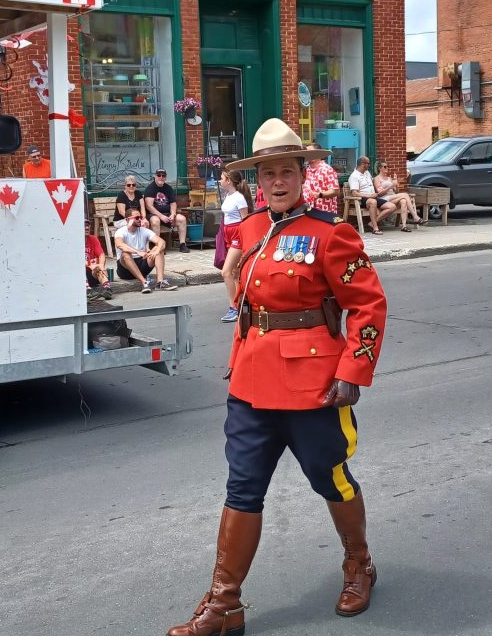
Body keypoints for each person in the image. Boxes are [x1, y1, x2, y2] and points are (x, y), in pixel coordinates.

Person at [166, 118, 388, 636]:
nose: (278, 181)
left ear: (302, 174)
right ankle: (224, 605)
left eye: (287, 171)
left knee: (330, 478)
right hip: (251, 383)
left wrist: (353, 368)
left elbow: (369, 306)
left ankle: (359, 565)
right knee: (242, 487)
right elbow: (244, 300)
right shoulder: (248, 229)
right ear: (258, 180)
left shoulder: (332, 234)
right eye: (268, 174)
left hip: (314, 386)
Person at [113, 209, 177, 293]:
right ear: (128, 220)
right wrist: (137, 252)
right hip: (125, 269)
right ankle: (144, 283)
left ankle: (160, 282)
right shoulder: (120, 231)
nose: (140, 219)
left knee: (158, 248)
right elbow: (119, 244)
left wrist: (157, 251)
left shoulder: (144, 231)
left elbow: (162, 242)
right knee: (125, 254)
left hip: (142, 264)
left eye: (141, 217)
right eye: (137, 217)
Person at [217, 169, 250, 323]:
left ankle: (233, 308)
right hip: (228, 233)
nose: (219, 180)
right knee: (236, 272)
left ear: (229, 181)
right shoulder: (228, 196)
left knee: (226, 271)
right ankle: (241, 303)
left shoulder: (239, 198)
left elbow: (245, 220)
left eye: (222, 178)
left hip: (237, 234)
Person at [346, 156, 397, 235]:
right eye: (368, 164)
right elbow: (354, 193)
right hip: (362, 199)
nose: (369, 165)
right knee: (373, 202)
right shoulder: (354, 176)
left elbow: (374, 182)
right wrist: (369, 196)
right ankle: (375, 228)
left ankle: (371, 223)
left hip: (374, 197)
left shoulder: (367, 173)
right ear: (363, 164)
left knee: (392, 207)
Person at [144, 168, 190, 253]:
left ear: (166, 177)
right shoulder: (150, 188)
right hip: (154, 215)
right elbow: (149, 206)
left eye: (163, 176)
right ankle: (158, 246)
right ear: (155, 176)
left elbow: (173, 203)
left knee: (182, 219)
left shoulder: (168, 188)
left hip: (167, 214)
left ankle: (182, 244)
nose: (161, 177)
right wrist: (161, 216)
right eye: (159, 175)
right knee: (155, 221)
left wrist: (173, 214)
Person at [373, 161, 424, 230]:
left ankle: (404, 226)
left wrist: (396, 184)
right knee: (405, 195)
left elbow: (396, 192)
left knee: (403, 201)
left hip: (393, 197)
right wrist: (391, 185)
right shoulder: (377, 179)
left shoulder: (389, 178)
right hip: (384, 199)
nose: (387, 168)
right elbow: (380, 193)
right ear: (380, 168)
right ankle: (415, 217)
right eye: (385, 166)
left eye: (388, 166)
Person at [303, 143, 341, 213]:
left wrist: (320, 195)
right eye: (306, 153)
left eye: (310, 152)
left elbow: (336, 191)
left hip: (325, 212)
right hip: (308, 211)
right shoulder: (306, 170)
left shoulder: (327, 169)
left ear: (318, 154)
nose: (308, 155)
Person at [84, 219, 112, 299]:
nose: (86, 228)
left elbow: (101, 255)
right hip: (79, 276)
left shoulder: (93, 239)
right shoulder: (73, 241)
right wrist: (89, 264)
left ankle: (107, 288)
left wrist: (101, 266)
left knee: (98, 268)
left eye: (87, 225)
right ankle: (87, 290)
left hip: (92, 273)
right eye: (83, 226)